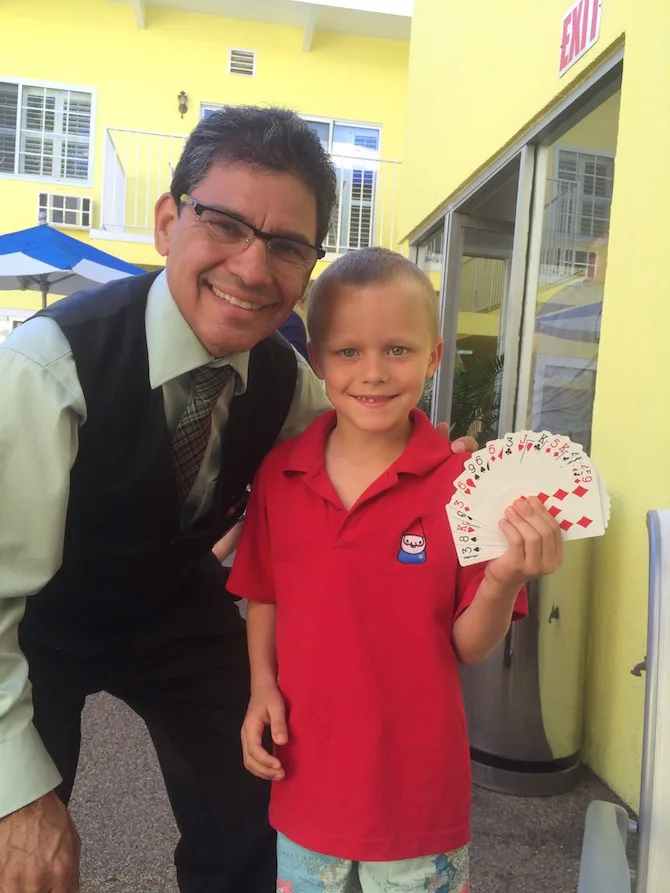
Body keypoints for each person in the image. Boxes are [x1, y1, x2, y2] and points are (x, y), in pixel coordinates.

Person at [0, 108, 478, 893]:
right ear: (166, 221)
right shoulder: (47, 370)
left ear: (307, 269)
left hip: (173, 611)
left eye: (287, 245)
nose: (254, 269)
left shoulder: (294, 382)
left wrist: (448, 472)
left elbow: (367, 436)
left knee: (260, 799)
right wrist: (18, 797)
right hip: (38, 623)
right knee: (19, 849)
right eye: (224, 224)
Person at [229, 248, 564, 893]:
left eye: (398, 350)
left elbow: (467, 645)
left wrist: (505, 578)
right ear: (318, 360)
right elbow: (263, 594)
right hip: (307, 785)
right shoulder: (281, 475)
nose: (374, 373)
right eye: (349, 352)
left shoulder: (466, 487)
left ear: (434, 356)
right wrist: (261, 688)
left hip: (418, 799)